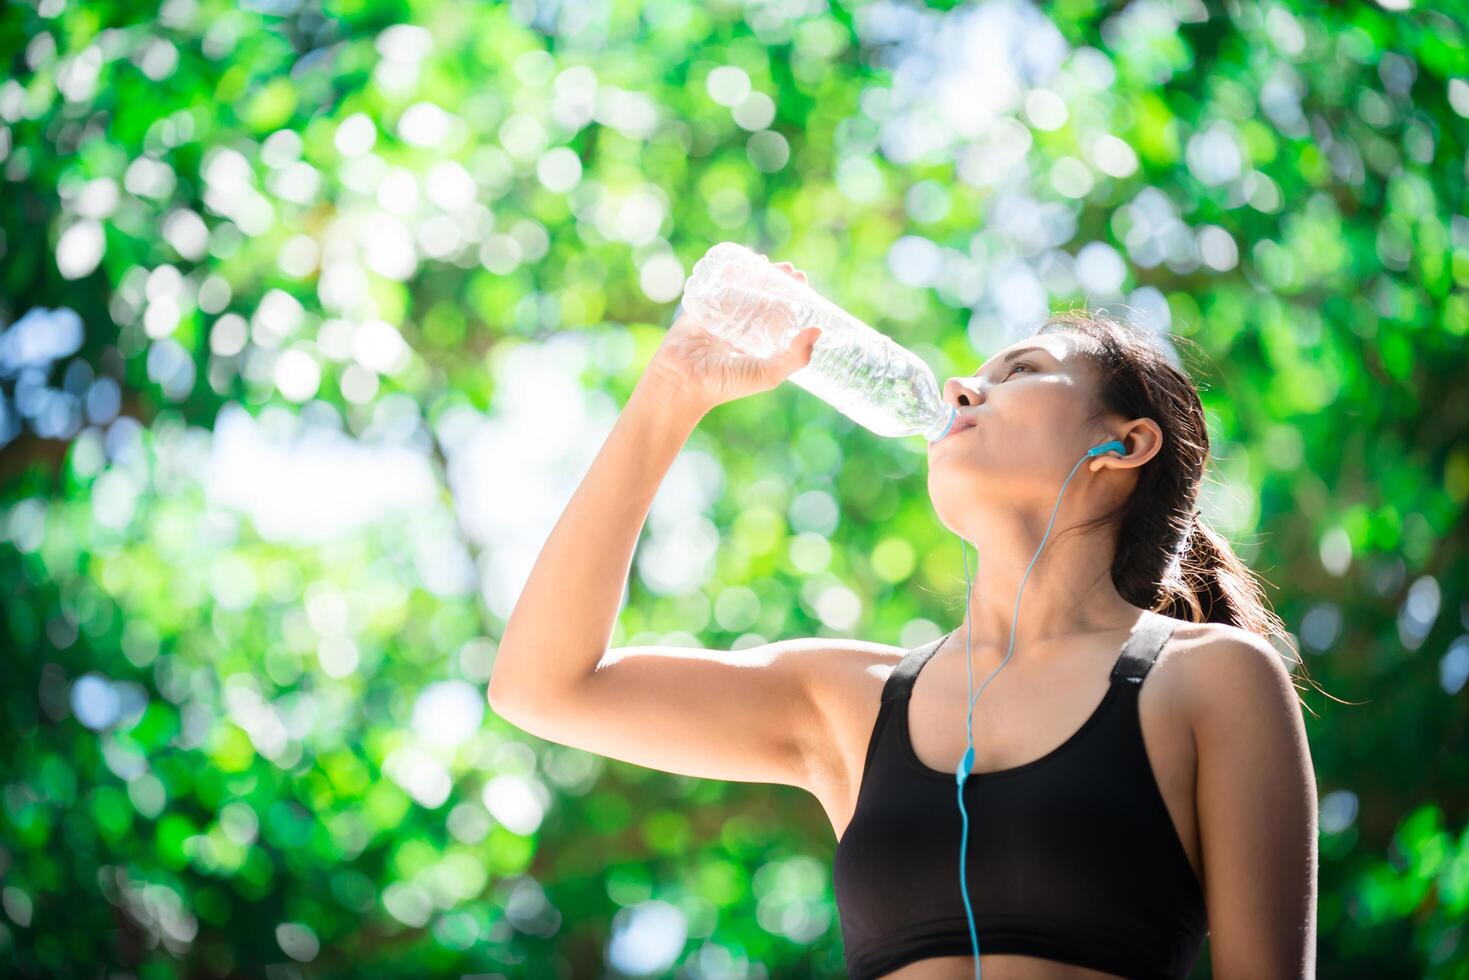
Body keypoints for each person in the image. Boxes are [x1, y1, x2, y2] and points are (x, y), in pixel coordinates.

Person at [488, 263, 1321, 979]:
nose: (961, 388)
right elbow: (543, 688)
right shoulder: (846, 701)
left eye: (1021, 370)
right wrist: (671, 392)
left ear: (1125, 444)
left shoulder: (1210, 677)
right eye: (973, 374)